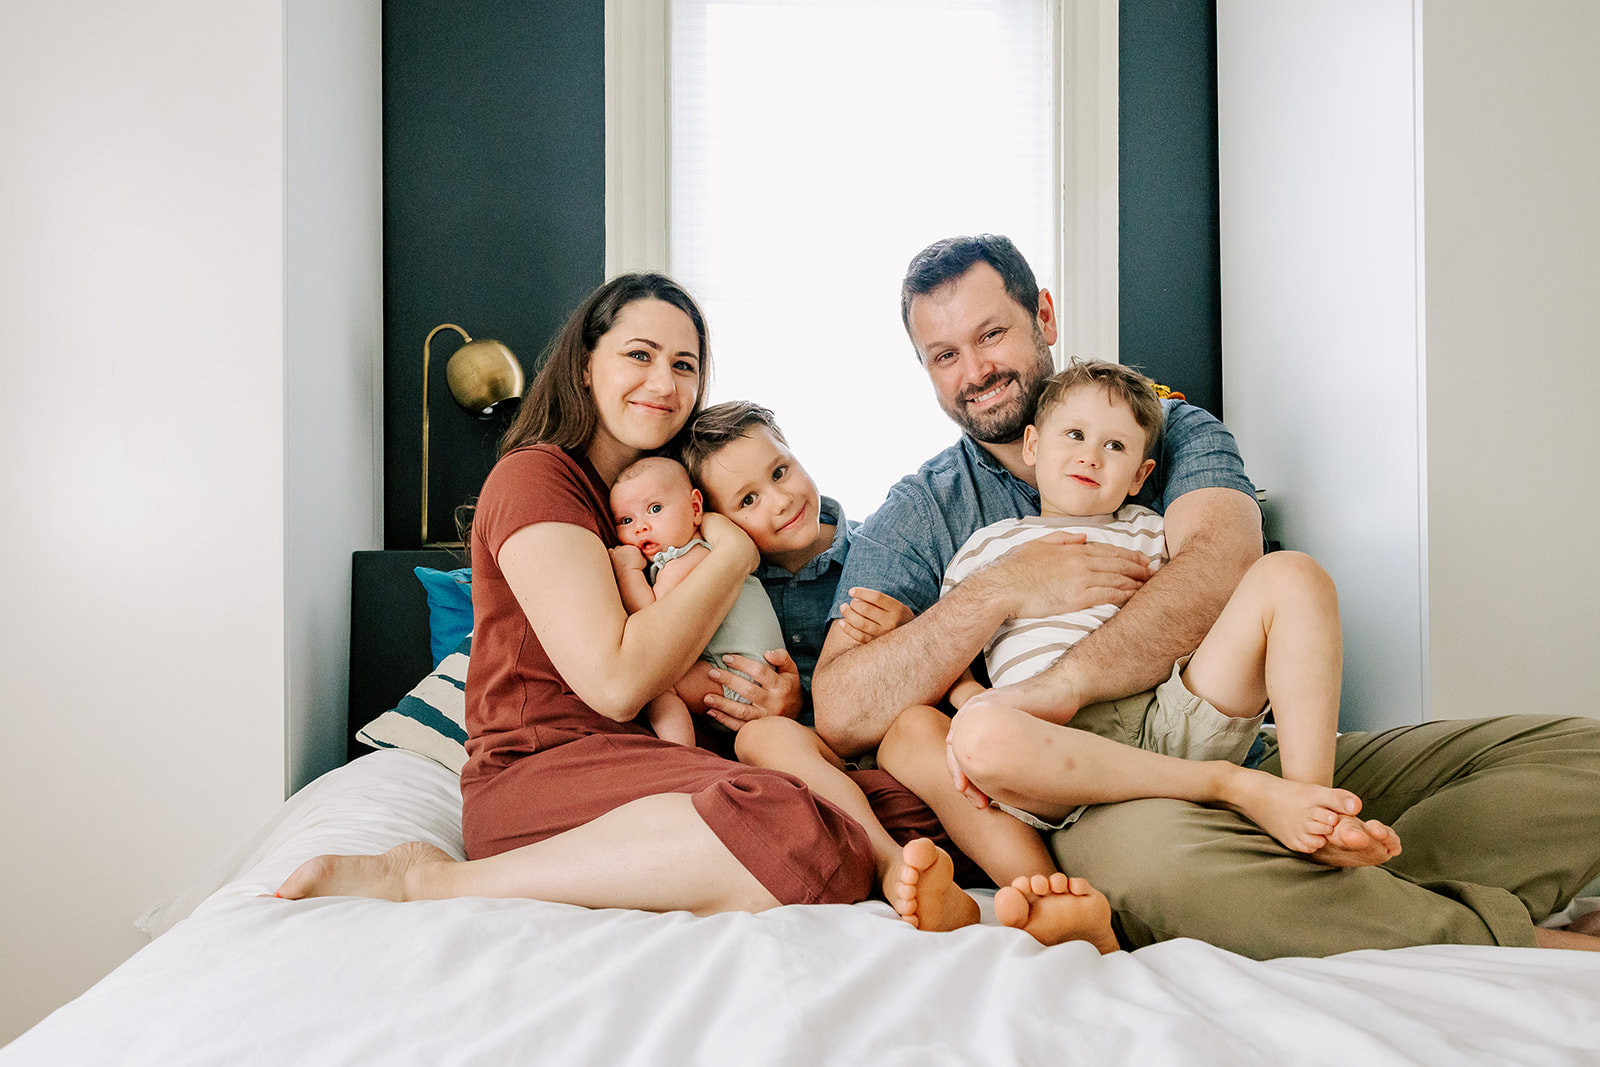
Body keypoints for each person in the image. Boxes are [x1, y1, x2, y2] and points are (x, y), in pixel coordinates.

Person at [812, 234, 1600, 957]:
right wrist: (1004, 589)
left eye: (991, 335)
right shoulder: (925, 510)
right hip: (1094, 797)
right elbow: (845, 709)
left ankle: (1324, 846)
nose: (974, 369)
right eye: (943, 354)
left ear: (1043, 314)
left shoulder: (1164, 424)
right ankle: (1498, 933)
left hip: (1227, 730)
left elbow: (1223, 566)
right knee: (1174, 869)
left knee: (1582, 757)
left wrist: (1061, 683)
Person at [273, 273, 969, 928]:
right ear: (584, 363)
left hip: (648, 761)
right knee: (801, 830)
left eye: (686, 365)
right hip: (548, 769)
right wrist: (731, 555)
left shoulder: (655, 511)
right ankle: (429, 881)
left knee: (907, 811)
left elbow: (686, 669)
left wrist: (765, 699)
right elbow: (617, 680)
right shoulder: (535, 479)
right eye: (640, 354)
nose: (664, 382)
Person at [878, 360, 1396, 876]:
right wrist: (976, 703)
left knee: (1293, 574)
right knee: (978, 737)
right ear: (1034, 446)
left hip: (1168, 710)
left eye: (1115, 446)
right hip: (1058, 746)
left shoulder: (1152, 531)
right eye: (1075, 434)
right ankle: (1232, 786)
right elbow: (958, 658)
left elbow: (1200, 614)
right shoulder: (985, 549)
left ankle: (1315, 807)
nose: (1091, 457)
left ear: (1140, 475)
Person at [681, 400, 1118, 947]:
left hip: (902, 737)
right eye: (747, 500)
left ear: (794, 453)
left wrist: (911, 627)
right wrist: (788, 710)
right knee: (761, 734)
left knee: (915, 729)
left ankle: (1044, 895)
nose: (780, 499)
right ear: (715, 520)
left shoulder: (881, 550)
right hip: (814, 752)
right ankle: (898, 871)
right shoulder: (733, 594)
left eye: (779, 471)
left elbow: (959, 641)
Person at [607, 455, 787, 747]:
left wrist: (626, 572)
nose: (640, 527)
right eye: (626, 520)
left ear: (694, 508)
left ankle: (681, 752)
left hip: (740, 681)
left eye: (654, 509)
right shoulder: (688, 557)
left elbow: (654, 620)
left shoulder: (692, 558)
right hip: (743, 676)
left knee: (656, 684)